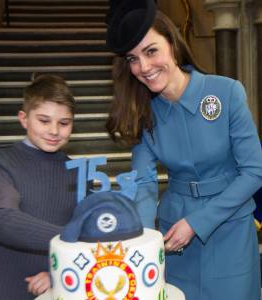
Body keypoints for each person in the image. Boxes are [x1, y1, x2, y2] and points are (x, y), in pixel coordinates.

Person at [105, 1, 262, 299]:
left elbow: (254, 171)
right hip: (173, 239)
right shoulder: (142, 113)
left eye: (151, 51)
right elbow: (144, 184)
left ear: (173, 44)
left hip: (229, 230)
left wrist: (197, 222)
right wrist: (145, 239)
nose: (144, 67)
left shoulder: (225, 92)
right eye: (133, 59)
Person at [0, 74, 77, 300]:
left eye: (64, 123)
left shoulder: (79, 170)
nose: (54, 131)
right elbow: (3, 220)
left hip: (60, 282)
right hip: (5, 284)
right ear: (24, 118)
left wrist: (57, 272)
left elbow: (92, 234)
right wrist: (71, 239)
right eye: (44, 120)